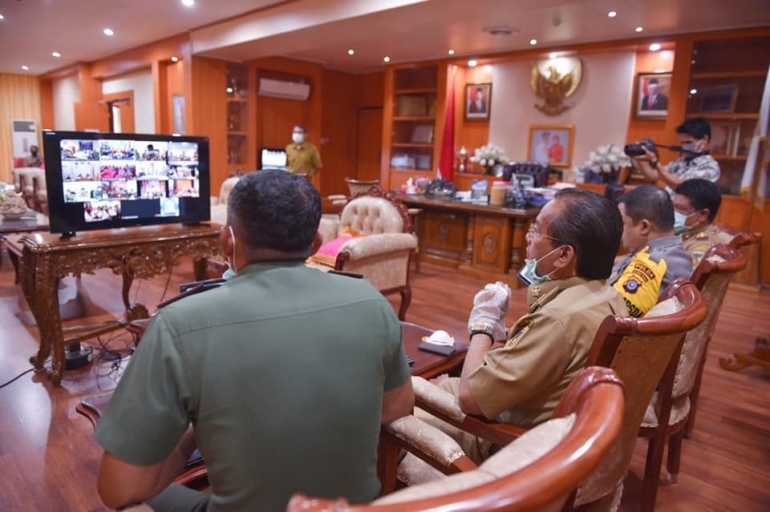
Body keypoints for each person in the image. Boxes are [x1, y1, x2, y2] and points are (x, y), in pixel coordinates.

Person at [94, 170, 414, 512]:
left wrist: (194, 432)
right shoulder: (370, 301)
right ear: (317, 243)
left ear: (226, 242)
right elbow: (397, 405)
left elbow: (118, 487)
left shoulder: (179, 324)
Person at [419, 188, 628, 462]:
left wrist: (484, 323)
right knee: (442, 382)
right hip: (555, 424)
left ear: (564, 255)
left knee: (400, 399)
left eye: (537, 231)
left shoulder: (559, 320)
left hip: (510, 443)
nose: (528, 238)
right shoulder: (609, 295)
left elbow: (469, 398)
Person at [610, 185, 693, 318]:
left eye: (623, 223)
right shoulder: (668, 250)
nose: (619, 230)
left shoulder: (652, 264)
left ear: (644, 227)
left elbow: (613, 315)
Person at [633, 116, 720, 196]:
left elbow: (681, 187)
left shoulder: (710, 166)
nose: (684, 146)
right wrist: (641, 158)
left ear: (704, 139)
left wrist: (655, 162)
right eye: (682, 143)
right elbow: (653, 175)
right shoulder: (681, 161)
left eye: (688, 142)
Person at [673, 178, 733, 265]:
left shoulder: (701, 247)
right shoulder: (688, 234)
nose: (672, 213)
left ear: (703, 214)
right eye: (673, 206)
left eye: (680, 208)